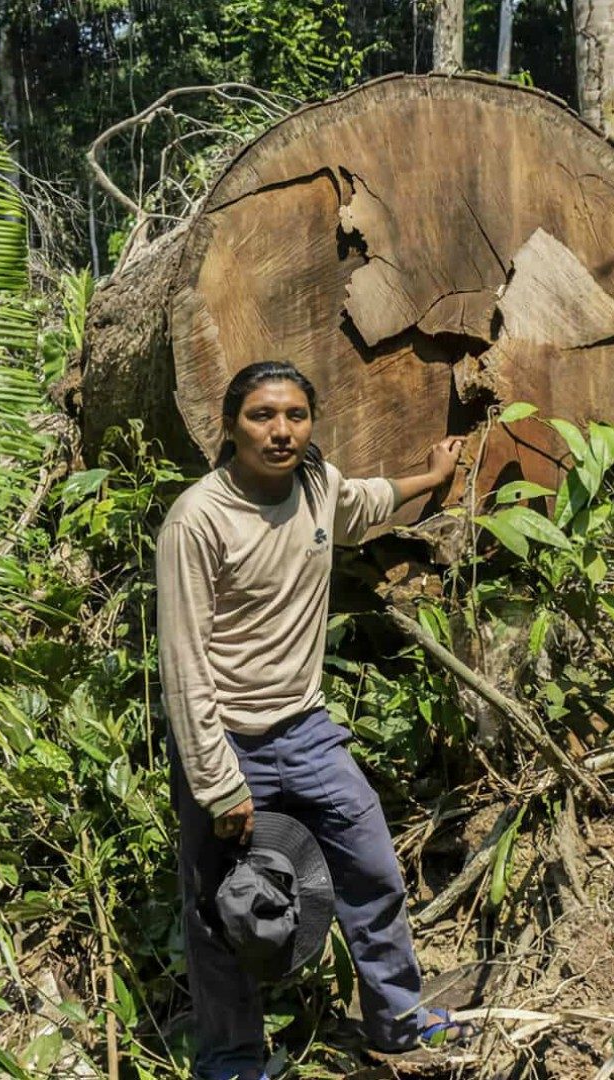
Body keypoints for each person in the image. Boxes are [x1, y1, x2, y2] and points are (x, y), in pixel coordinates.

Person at [156, 361, 475, 1080]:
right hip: (227, 742)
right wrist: (218, 785)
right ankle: (234, 1061)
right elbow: (183, 667)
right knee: (221, 910)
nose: (281, 431)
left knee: (370, 867)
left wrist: (430, 477)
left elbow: (366, 500)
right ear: (230, 426)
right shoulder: (197, 520)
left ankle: (395, 1020)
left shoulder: (317, 488)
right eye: (262, 416)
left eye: (295, 416)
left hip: (306, 731)